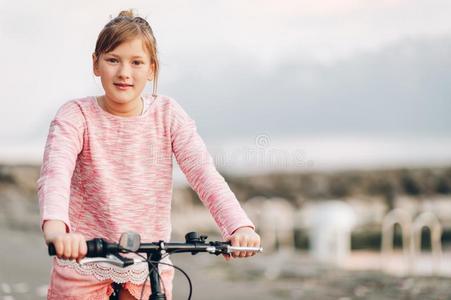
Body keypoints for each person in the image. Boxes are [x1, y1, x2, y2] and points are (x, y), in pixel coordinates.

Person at [37, 9, 260, 300]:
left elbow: (204, 174)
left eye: (136, 62)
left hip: (148, 265)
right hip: (85, 262)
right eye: (113, 60)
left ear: (151, 69)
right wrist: (58, 231)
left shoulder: (167, 115)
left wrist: (239, 227)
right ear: (96, 64)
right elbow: (56, 175)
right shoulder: (76, 115)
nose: (124, 72)